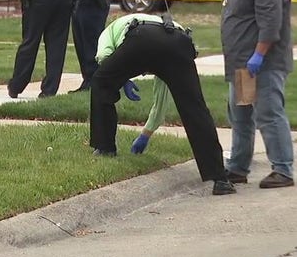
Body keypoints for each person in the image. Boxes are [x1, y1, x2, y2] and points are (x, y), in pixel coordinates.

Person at [89, 13, 237, 196]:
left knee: (99, 82)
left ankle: (105, 147)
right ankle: (219, 178)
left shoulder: (109, 31)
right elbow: (162, 98)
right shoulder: (163, 25)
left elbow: (104, 57)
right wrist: (147, 133)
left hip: (141, 38)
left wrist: (121, 78)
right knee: (194, 107)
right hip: (179, 42)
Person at [215, 0, 294, 189]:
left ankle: (283, 169)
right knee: (240, 116)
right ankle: (238, 168)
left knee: (269, 114)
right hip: (241, 64)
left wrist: (259, 55)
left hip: (262, 64)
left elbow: (271, 24)